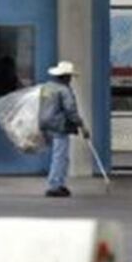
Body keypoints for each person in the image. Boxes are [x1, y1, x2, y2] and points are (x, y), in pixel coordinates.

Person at [39, 61, 89, 198]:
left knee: (60, 156)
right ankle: (55, 185)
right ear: (66, 76)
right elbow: (70, 110)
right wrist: (82, 125)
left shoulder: (47, 87)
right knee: (60, 156)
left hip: (46, 124)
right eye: (70, 76)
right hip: (59, 126)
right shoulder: (64, 90)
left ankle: (59, 183)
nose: (71, 79)